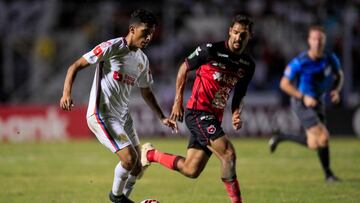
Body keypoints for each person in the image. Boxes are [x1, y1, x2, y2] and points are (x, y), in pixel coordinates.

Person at [59, 9, 177, 203]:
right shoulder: (113, 47)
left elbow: (146, 92)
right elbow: (75, 65)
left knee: (137, 167)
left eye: (151, 34)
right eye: (145, 32)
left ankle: (119, 197)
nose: (148, 38)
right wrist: (66, 93)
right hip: (101, 114)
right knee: (129, 159)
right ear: (132, 29)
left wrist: (161, 117)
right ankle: (116, 198)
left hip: (123, 116)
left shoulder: (143, 60)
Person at [141, 14, 255, 203]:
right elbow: (183, 68)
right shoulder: (211, 50)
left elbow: (240, 94)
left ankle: (150, 154)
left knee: (191, 169)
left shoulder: (248, 65)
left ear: (250, 36)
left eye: (243, 35)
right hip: (197, 113)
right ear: (230, 31)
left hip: (213, 117)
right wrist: (178, 101)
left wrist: (236, 112)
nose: (238, 38)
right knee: (228, 154)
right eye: (235, 33)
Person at [269, 25, 343, 182]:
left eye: (320, 39)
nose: (317, 42)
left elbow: (339, 75)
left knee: (314, 144)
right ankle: (329, 175)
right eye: (314, 39)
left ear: (324, 41)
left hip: (318, 102)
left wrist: (336, 90)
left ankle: (280, 137)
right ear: (309, 41)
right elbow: (284, 84)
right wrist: (303, 97)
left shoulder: (330, 58)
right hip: (301, 103)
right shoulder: (300, 61)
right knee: (323, 137)